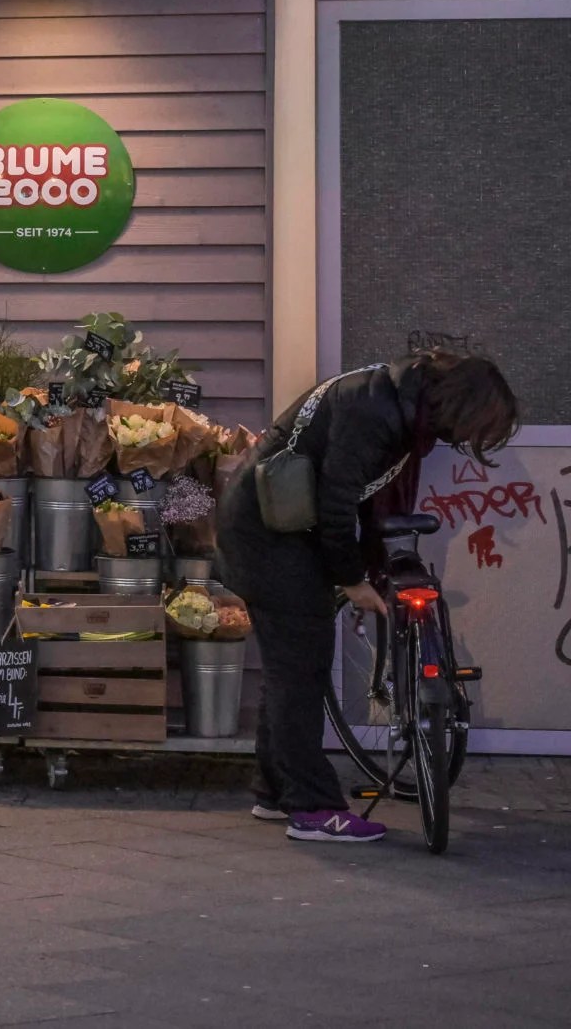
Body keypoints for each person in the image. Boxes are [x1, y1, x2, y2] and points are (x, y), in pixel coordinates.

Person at [217, 348, 518, 844]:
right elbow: (337, 502)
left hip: (274, 529)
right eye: (474, 429)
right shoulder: (374, 412)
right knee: (301, 672)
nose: (465, 442)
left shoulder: (392, 399)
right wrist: (354, 579)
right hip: (269, 539)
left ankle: (275, 791)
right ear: (459, 408)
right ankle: (313, 809)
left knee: (290, 669)